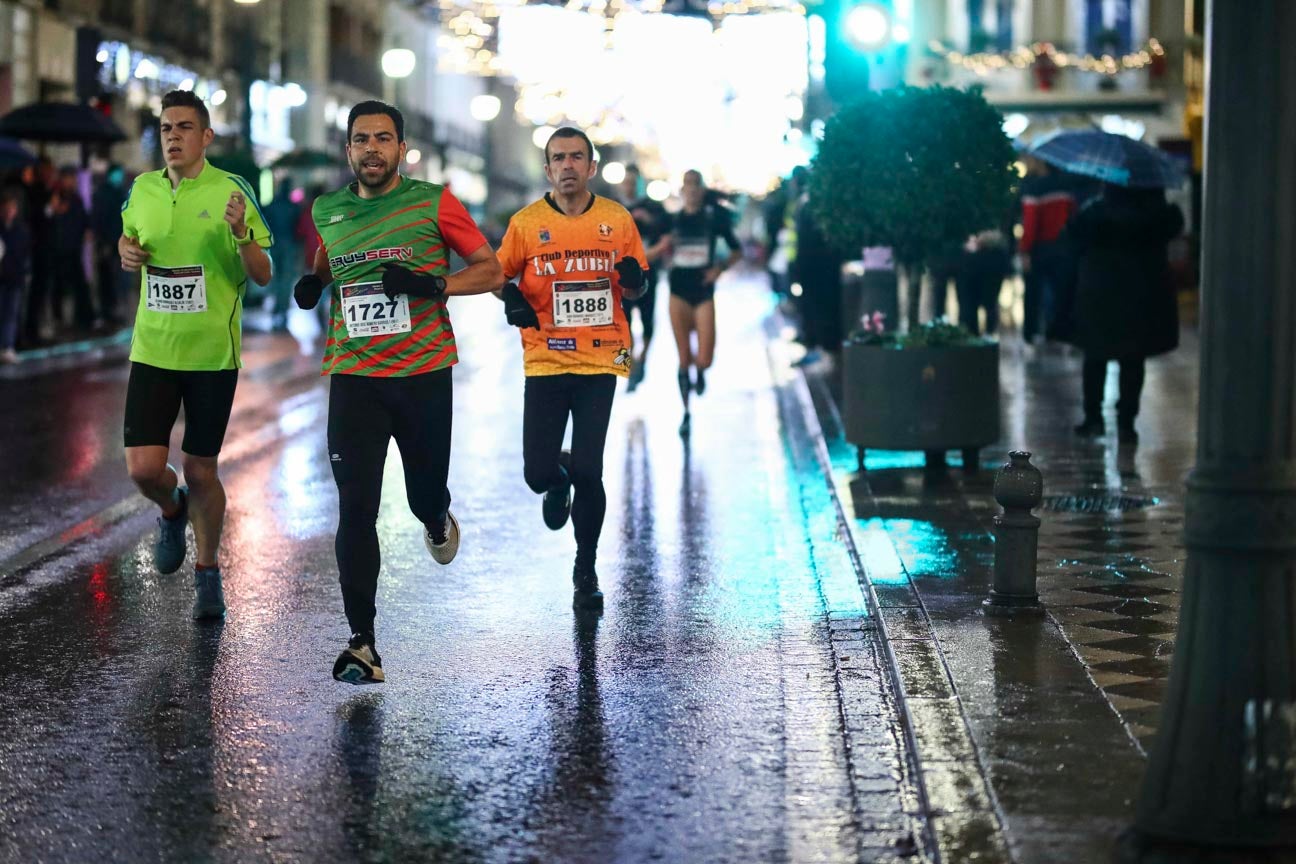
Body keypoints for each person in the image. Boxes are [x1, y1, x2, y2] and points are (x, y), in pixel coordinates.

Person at [292, 101, 502, 685]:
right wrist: (315, 282)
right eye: (362, 140)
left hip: (423, 376)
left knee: (420, 495)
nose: (372, 149)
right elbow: (330, 257)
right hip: (355, 378)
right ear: (348, 150)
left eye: (384, 139)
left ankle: (436, 516)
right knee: (355, 508)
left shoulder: (433, 202)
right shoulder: (328, 209)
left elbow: (490, 271)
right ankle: (362, 642)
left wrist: (434, 283)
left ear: (402, 149)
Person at [118, 89, 273, 620]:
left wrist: (241, 234)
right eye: (166, 128)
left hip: (211, 356)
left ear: (206, 137)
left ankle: (208, 575)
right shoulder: (141, 190)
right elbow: (128, 241)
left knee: (202, 470)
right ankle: (170, 506)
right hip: (154, 349)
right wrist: (126, 251)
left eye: (185, 127)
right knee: (143, 469)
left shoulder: (233, 191)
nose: (173, 137)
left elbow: (263, 274)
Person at [496, 126, 646, 610]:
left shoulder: (617, 220)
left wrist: (634, 281)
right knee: (537, 473)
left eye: (576, 157)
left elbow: (636, 285)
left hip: (601, 355)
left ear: (591, 167)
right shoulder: (525, 223)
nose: (567, 166)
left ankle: (586, 568)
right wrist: (513, 297)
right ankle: (555, 484)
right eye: (558, 158)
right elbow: (499, 276)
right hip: (544, 358)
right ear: (547, 169)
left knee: (590, 468)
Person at [1069, 184, 1183, 443]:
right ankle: (1126, 422)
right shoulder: (1156, 214)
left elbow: (1073, 232)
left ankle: (1093, 418)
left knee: (1096, 356)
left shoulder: (1097, 211)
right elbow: (1173, 227)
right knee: (1133, 359)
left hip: (1100, 290)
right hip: (1141, 293)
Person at [665, 170, 740, 437]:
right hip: (678, 290)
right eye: (687, 184)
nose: (692, 189)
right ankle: (686, 413)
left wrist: (719, 269)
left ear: (702, 189)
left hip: (703, 290)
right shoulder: (672, 220)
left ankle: (701, 371)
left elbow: (736, 249)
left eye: (696, 184)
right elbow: (655, 245)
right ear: (682, 190)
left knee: (705, 358)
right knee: (683, 356)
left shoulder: (713, 219)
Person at [614, 164, 670, 391]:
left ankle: (643, 360)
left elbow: (667, 238)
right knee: (623, 325)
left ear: (640, 183)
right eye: (625, 182)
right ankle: (629, 369)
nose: (628, 186)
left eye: (632, 182)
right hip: (620, 276)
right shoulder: (612, 208)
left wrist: (646, 256)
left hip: (648, 273)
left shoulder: (654, 208)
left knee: (647, 320)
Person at [1018, 156, 1079, 343]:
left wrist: (1025, 250)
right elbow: (1074, 217)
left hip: (1039, 249)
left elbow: (1030, 222)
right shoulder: (1067, 187)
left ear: (1042, 163)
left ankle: (1031, 332)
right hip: (1064, 248)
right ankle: (1058, 333)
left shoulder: (1034, 188)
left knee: (1033, 293)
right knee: (1062, 293)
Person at [48, 166, 94, 331]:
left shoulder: (76, 198)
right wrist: (54, 210)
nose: (72, 181)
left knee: (80, 285)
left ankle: (84, 319)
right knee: (59, 287)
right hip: (59, 250)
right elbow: (49, 219)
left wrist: (87, 230)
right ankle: (59, 320)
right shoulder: (56, 196)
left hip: (74, 249)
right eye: (69, 178)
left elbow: (84, 218)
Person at [91, 164, 128, 327]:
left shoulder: (120, 192)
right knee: (107, 278)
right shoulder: (103, 193)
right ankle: (107, 311)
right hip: (107, 242)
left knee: (117, 278)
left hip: (119, 241)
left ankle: (114, 309)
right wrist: (102, 240)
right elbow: (99, 218)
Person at [263, 179, 301, 331]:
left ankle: (276, 309)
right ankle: (282, 310)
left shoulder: (271, 206)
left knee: (275, 278)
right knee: (286, 279)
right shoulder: (294, 207)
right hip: (289, 244)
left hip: (274, 244)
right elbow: (298, 229)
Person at [0, 189, 31, 363]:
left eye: (12, 207)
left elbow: (25, 253)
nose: (9, 211)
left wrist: (25, 272)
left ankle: (8, 346)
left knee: (11, 314)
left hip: (15, 278)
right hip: (3, 277)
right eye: (5, 207)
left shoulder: (21, 230)